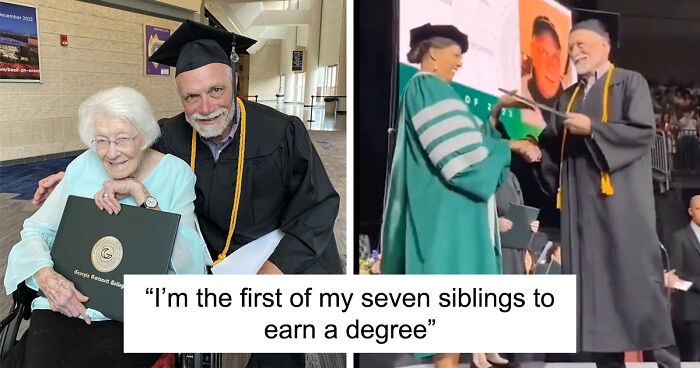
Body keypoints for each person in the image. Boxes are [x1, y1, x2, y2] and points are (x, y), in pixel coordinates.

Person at [32, 20, 341, 368]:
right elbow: (122, 149)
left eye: (216, 91)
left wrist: (268, 278)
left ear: (234, 82)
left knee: (276, 342)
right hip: (207, 258)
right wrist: (73, 174)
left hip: (277, 254)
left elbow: (318, 208)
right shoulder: (170, 134)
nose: (206, 108)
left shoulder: (282, 132)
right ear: (181, 96)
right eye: (191, 96)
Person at [3, 86, 208, 367]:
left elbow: (191, 266)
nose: (111, 153)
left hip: (137, 312)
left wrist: (142, 195)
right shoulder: (82, 166)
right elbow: (37, 230)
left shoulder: (176, 174)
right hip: (69, 304)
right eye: (101, 140)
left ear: (145, 137)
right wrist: (45, 276)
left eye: (122, 139)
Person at [380, 23, 540, 368]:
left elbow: (473, 139)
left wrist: (497, 111)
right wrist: (513, 144)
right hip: (446, 214)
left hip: (453, 212)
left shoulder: (433, 90)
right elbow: (460, 155)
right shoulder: (427, 87)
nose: (460, 63)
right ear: (433, 53)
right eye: (456, 55)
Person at [540, 9, 676, 366]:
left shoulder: (630, 82)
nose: (575, 53)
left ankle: (661, 351)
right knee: (594, 286)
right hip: (582, 209)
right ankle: (607, 359)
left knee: (631, 273)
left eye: (581, 45)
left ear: (605, 45)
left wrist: (595, 129)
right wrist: (533, 147)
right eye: (571, 48)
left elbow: (643, 133)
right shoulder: (566, 96)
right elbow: (554, 145)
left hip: (619, 201)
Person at [667, 195, 700, 361]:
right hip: (692, 310)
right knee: (694, 357)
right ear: (690, 211)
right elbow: (676, 273)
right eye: (699, 209)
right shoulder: (680, 238)